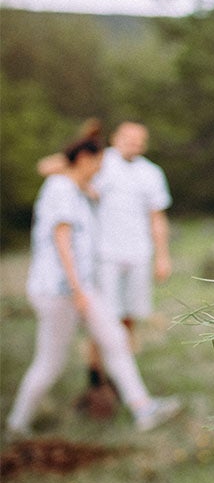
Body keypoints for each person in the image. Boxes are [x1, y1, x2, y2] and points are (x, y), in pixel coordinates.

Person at [5, 135, 180, 437]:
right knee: (50, 362)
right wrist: (77, 291)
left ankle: (143, 409)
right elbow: (62, 242)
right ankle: (17, 424)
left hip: (82, 288)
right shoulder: (60, 189)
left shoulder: (76, 189)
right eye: (98, 163)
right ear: (84, 160)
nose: (100, 170)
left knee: (115, 340)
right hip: (59, 291)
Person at [80, 122, 173, 413]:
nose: (133, 143)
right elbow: (68, 173)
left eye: (138, 140)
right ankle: (96, 375)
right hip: (105, 254)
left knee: (129, 316)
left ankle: (123, 378)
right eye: (127, 138)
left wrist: (162, 255)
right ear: (115, 139)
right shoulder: (100, 162)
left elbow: (157, 217)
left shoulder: (152, 172)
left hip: (138, 254)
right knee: (104, 317)